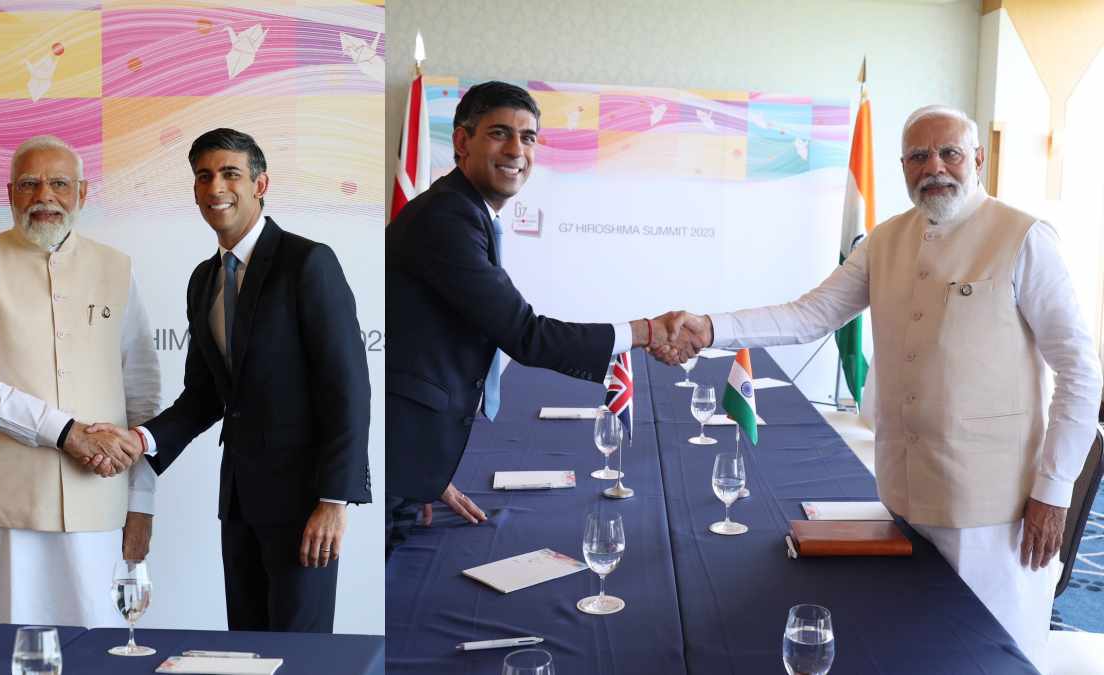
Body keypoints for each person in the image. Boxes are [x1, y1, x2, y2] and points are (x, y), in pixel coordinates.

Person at [669, 105, 1103, 671]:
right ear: (903, 166)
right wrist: (711, 327)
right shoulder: (884, 240)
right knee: (917, 648)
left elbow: (1080, 369)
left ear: (977, 158)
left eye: (949, 153)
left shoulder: (1023, 236)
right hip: (903, 492)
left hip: (995, 510)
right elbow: (810, 314)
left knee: (991, 657)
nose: (935, 167)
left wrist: (1053, 489)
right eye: (919, 156)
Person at [385, 81, 699, 553]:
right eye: (499, 133)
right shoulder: (447, 218)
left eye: (528, 137)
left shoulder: (464, 210)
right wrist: (646, 332)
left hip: (411, 456)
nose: (517, 150)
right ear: (461, 141)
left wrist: (426, 472)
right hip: (392, 455)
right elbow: (526, 335)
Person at [90, 128, 371, 633]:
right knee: (244, 648)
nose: (216, 186)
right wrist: (140, 440)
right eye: (204, 176)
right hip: (238, 503)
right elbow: (204, 396)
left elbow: (348, 387)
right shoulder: (203, 280)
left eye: (230, 173)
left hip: (305, 507)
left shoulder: (308, 262)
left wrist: (334, 500)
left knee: (302, 658)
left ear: (260, 184)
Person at [0, 135, 159, 626]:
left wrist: (142, 505)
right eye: (29, 183)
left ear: (82, 194)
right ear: (10, 194)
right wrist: (69, 433)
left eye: (60, 183)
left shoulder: (117, 268)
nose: (45, 195)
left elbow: (142, 395)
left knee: (100, 652)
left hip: (98, 505)